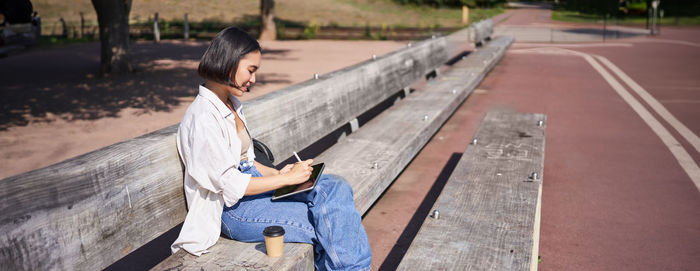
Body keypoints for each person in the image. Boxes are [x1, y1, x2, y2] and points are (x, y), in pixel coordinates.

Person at [171, 26, 372, 271]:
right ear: (228, 61)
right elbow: (230, 185)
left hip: (255, 191)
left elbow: (246, 162)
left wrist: (281, 174)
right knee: (333, 229)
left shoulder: (230, 104)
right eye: (251, 70)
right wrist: (284, 180)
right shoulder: (203, 118)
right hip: (236, 211)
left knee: (336, 187)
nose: (253, 80)